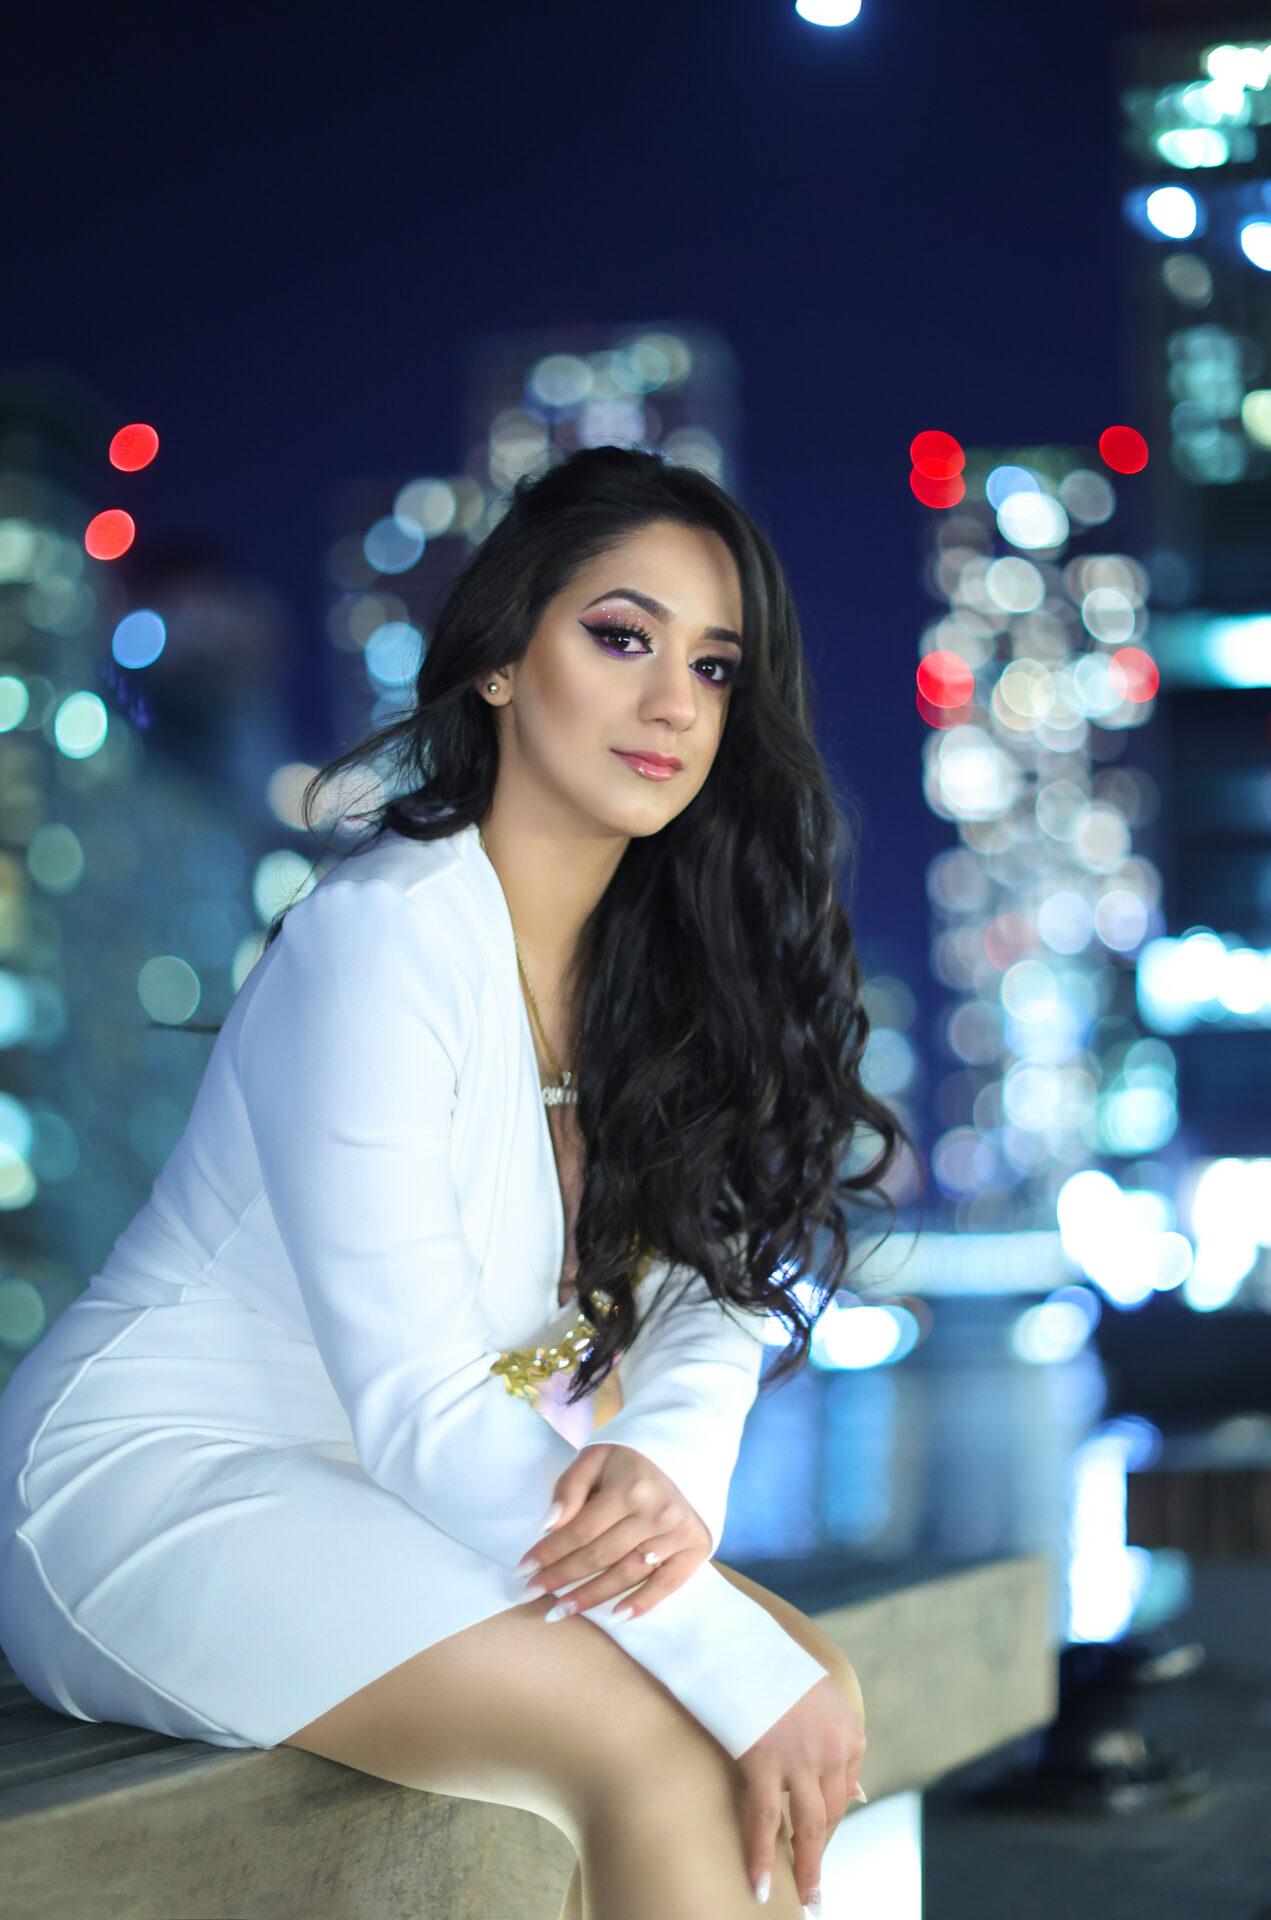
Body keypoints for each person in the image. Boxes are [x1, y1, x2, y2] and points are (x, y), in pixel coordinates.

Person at [0, 443, 909, 1919]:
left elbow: (715, 1297)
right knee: (668, 1741)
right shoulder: (384, 936)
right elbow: (425, 1402)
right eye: (621, 637)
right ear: (499, 660)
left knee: (812, 1677)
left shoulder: (662, 970)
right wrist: (727, 1661)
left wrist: (667, 1467)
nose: (673, 700)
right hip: (152, 1488)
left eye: (716, 666)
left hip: (393, 1496)